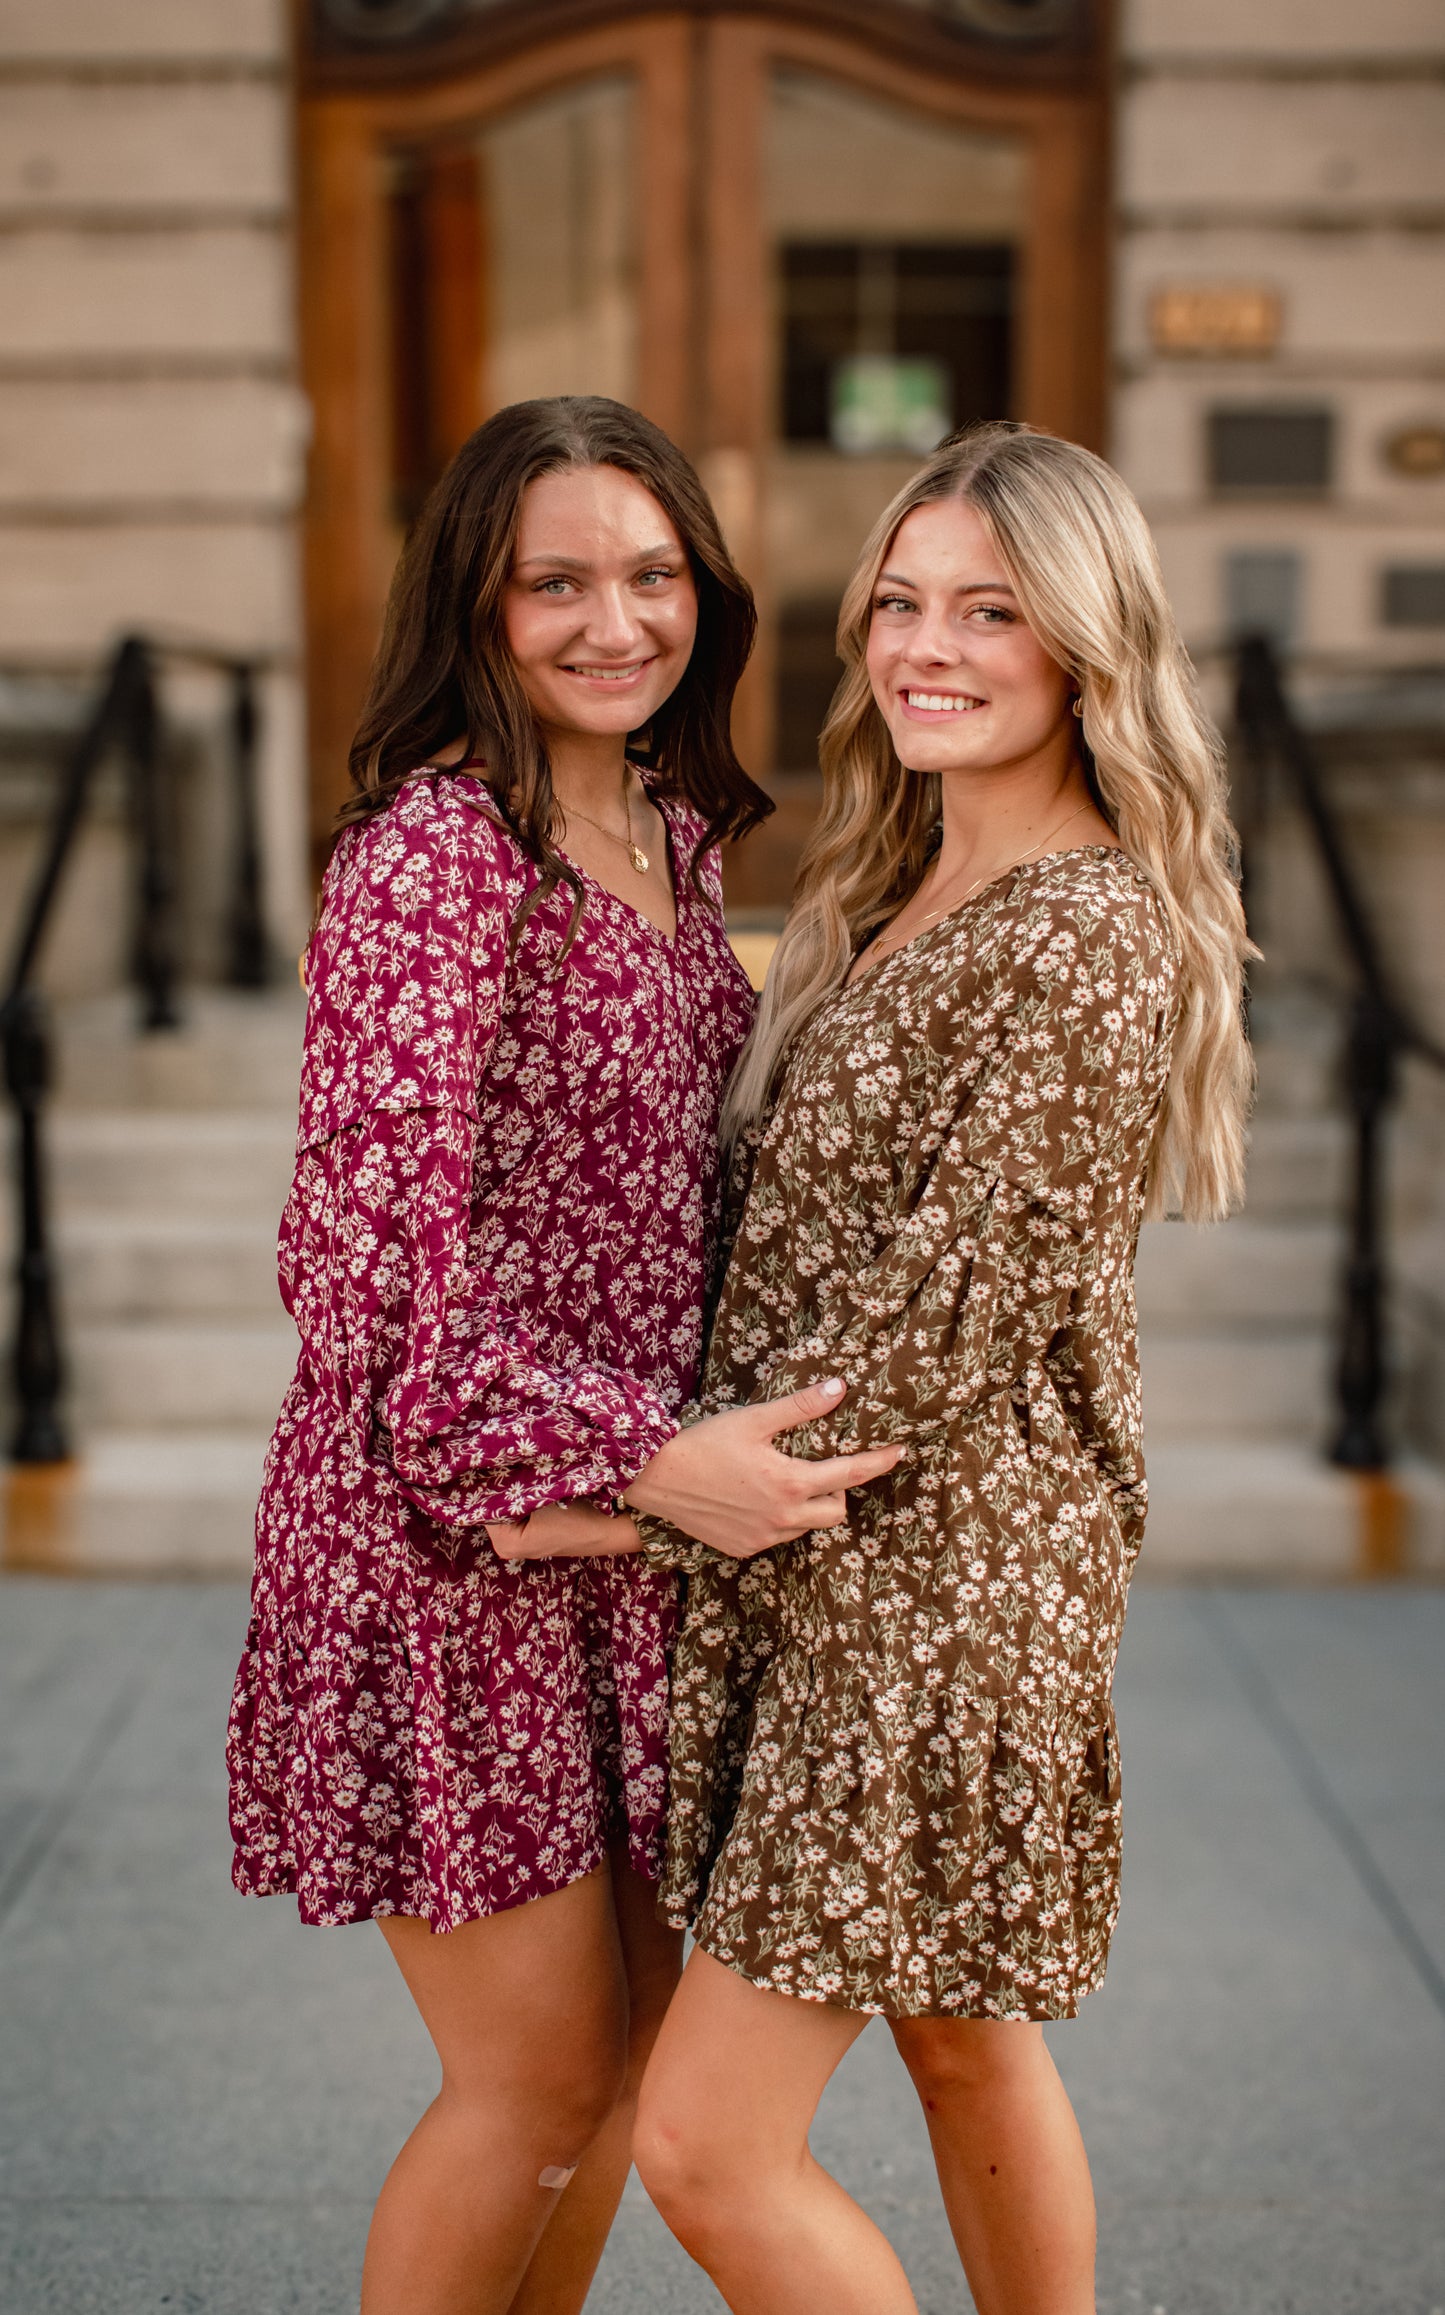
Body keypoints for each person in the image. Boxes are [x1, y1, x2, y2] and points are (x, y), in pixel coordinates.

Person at [502, 420, 1252, 2313]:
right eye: (899, 601)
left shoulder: (1084, 938)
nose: (925, 646)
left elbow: (927, 1349)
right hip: (836, 1575)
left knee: (705, 2147)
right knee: (961, 2036)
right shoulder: (889, 888)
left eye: (989, 610)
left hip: (928, 1597)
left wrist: (603, 1514)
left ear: (1086, 644)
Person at [225, 393, 899, 2315]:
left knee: (614, 2099)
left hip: (626, 1557)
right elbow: (362, 1281)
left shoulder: (674, 837)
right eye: (556, 584)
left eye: (653, 573)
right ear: (475, 604)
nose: (618, 622)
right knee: (527, 2093)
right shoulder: (436, 858)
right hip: (458, 1546)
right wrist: (645, 1457)